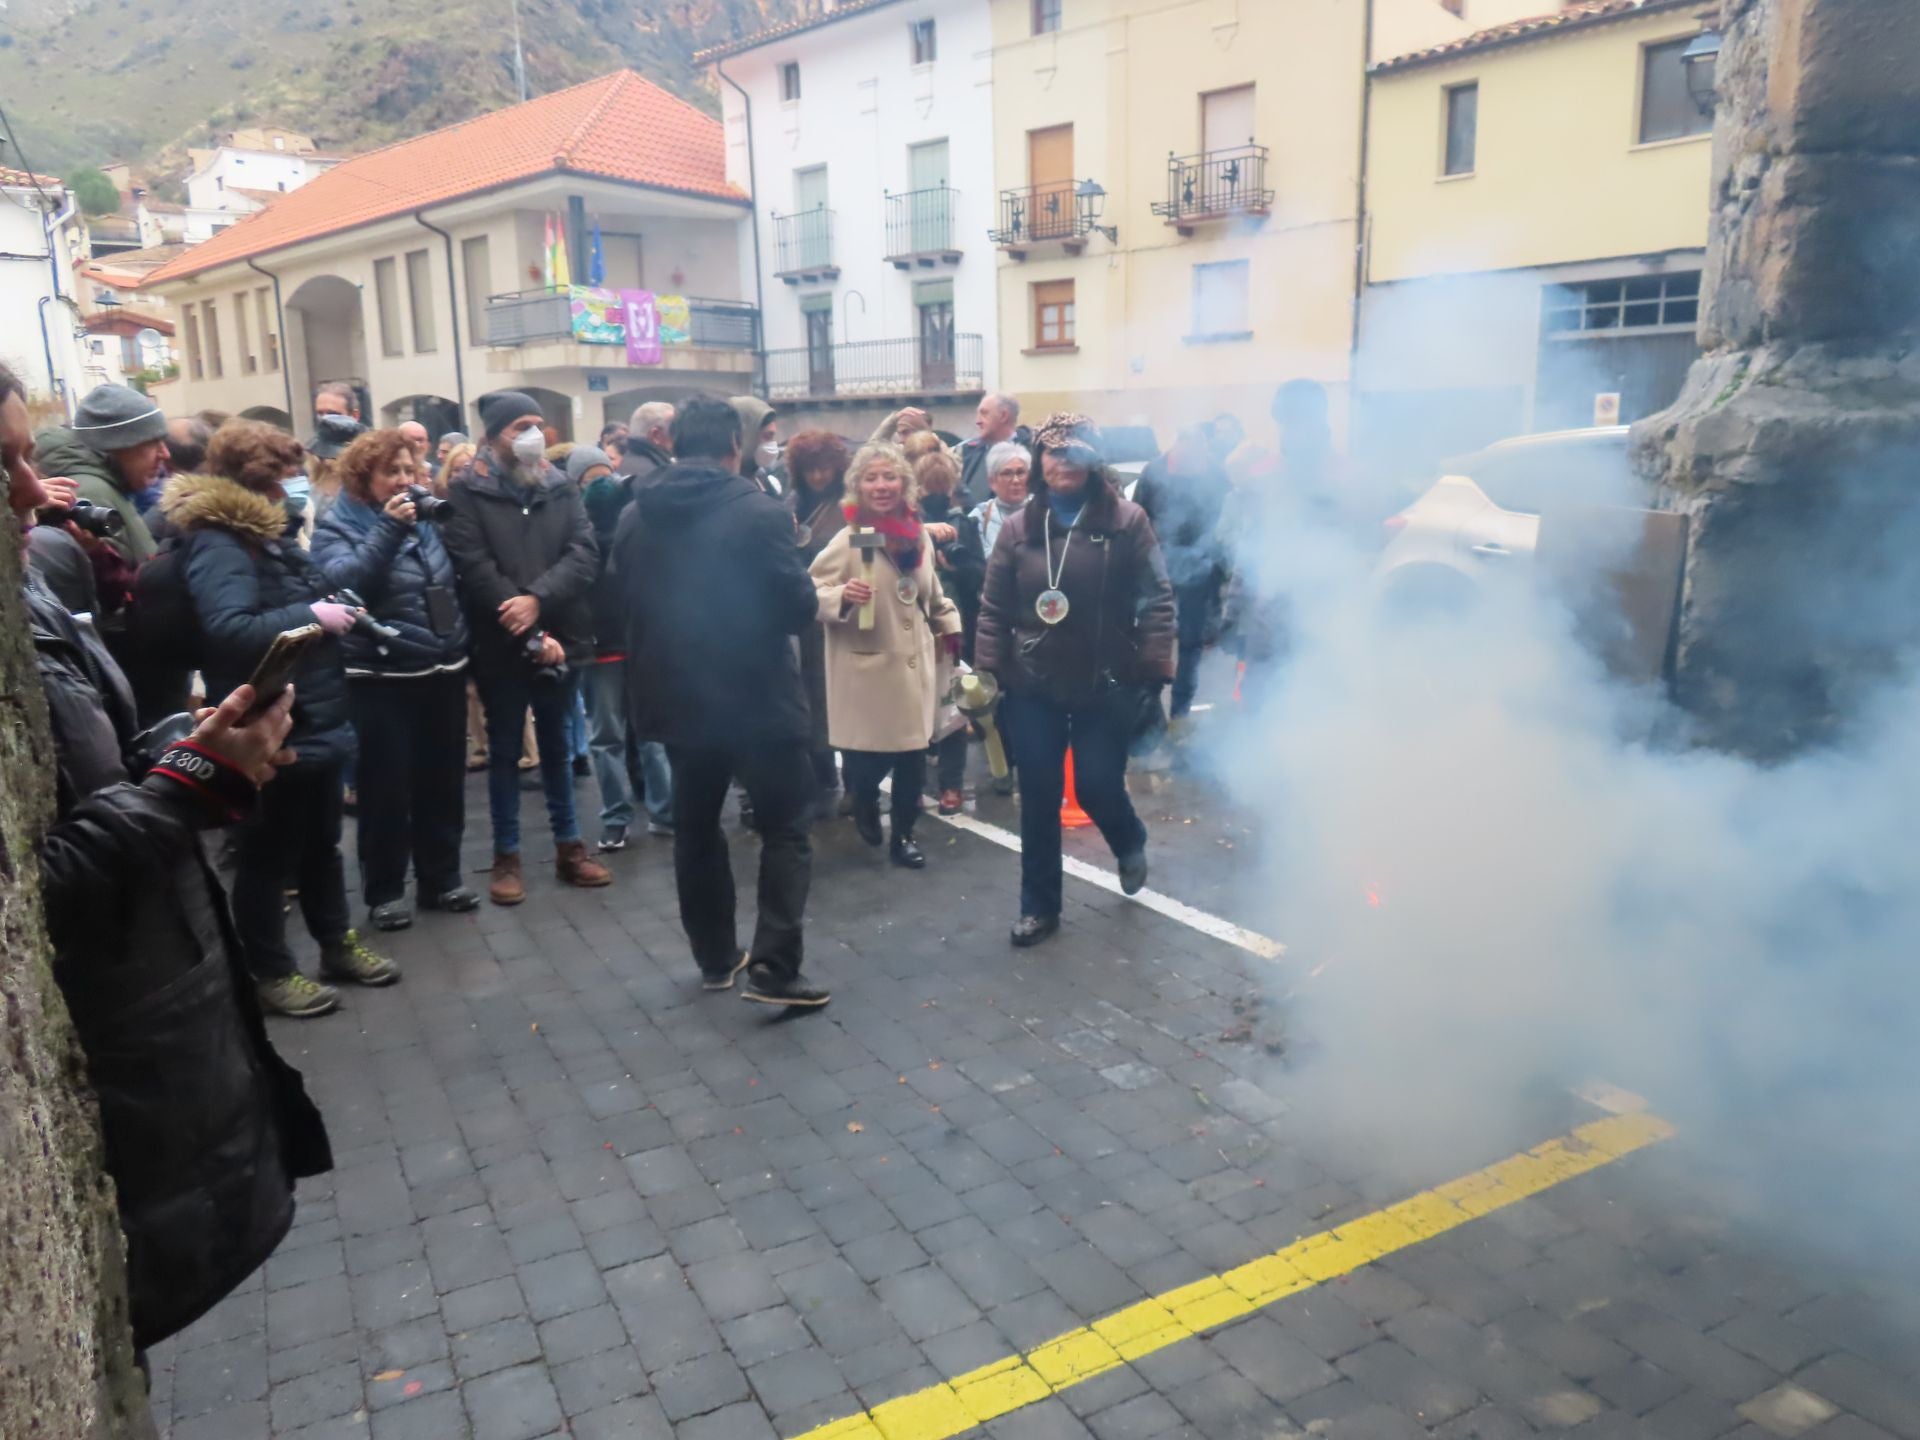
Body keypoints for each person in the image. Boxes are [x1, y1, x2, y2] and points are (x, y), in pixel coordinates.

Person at [3, 361, 332, 1354]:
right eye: (5, 461)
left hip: (156, 1006)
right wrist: (189, 785)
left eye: (27, 453)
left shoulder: (33, 587)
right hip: (116, 1032)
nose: (34, 490)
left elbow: (90, 777)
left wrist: (188, 744)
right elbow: (26, 902)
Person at [161, 419, 398, 1015]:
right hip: (268, 726)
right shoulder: (220, 541)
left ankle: (336, 944)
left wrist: (326, 604)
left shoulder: (263, 534)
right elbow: (230, 628)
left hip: (310, 715)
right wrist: (314, 614)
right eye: (290, 476)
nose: (298, 486)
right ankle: (270, 971)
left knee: (321, 845)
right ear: (258, 481)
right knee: (268, 855)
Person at [615, 394, 826, 1007]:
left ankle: (714, 958)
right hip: (757, 699)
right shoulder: (759, 513)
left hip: (679, 700)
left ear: (675, 443)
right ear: (735, 447)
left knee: (697, 830)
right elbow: (797, 607)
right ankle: (774, 968)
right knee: (787, 829)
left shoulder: (635, 514)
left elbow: (622, 596)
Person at [975, 414, 1175, 947]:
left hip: (1105, 681)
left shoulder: (1128, 521)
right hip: (1032, 684)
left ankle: (1129, 839)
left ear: (1093, 462)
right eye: (1053, 453)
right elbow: (993, 607)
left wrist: (1153, 673)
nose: (1062, 462)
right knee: (1038, 793)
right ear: (1040, 461)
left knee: (1095, 785)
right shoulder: (1019, 527)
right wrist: (989, 673)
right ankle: (1039, 908)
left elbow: (1158, 600)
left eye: (1074, 453)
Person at [443, 390, 611, 904]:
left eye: (538, 424)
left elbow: (584, 552)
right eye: (520, 426)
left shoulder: (560, 486)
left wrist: (537, 601)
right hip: (500, 640)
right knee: (505, 749)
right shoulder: (466, 491)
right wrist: (521, 616)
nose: (533, 435)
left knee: (560, 744)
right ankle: (507, 856)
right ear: (493, 436)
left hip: (560, 632)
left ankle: (570, 848)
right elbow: (473, 565)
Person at [313, 429, 478, 931]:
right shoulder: (335, 525)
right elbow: (342, 582)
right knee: (385, 789)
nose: (405, 481)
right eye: (393, 472)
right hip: (380, 677)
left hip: (441, 668)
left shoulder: (427, 521)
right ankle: (385, 891)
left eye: (410, 470)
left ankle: (441, 878)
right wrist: (386, 530)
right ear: (365, 478)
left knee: (443, 782)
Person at [810, 443, 962, 869]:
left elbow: (930, 593)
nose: (881, 486)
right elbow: (809, 592)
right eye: (872, 478)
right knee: (865, 761)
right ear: (858, 486)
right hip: (867, 671)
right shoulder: (848, 539)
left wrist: (950, 625)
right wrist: (842, 595)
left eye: (890, 477)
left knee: (913, 758)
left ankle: (905, 838)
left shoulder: (917, 536)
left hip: (914, 666)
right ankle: (860, 798)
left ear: (905, 484)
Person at [566, 442, 641, 850]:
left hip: (630, 641)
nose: (601, 484)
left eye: (604, 474)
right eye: (591, 478)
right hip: (602, 645)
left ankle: (659, 812)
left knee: (641, 735)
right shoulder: (576, 531)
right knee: (612, 736)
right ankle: (618, 815)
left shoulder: (634, 520)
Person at [1131, 422, 1232, 723]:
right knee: (1151, 637)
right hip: (1157, 565)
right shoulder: (1155, 471)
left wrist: (1214, 563)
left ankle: (1180, 715)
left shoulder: (1214, 472)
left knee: (1190, 643)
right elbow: (1139, 515)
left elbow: (1225, 519)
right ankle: (1150, 713)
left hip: (1199, 570)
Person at [784, 429, 852, 817]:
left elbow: (866, 548)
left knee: (847, 694)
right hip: (808, 614)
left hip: (845, 610)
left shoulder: (849, 505)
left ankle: (856, 782)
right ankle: (822, 772)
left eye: (826, 468)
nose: (820, 476)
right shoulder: (791, 504)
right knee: (811, 694)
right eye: (812, 469)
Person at [914, 443, 985, 815]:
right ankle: (916, 782)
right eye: (929, 487)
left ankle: (951, 784)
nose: (936, 494)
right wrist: (918, 533)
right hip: (913, 626)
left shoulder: (966, 524)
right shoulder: (901, 527)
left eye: (941, 486)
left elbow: (981, 576)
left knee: (954, 708)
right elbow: (872, 551)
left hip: (954, 628)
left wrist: (957, 566)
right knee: (914, 708)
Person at [33, 382, 168, 568]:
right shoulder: (91, 493)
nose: (165, 454)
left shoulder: (110, 485)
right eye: (152, 443)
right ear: (115, 446)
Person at [956, 392, 1022, 506]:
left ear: (1003, 416)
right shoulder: (968, 453)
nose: (978, 421)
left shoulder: (1031, 454)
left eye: (984, 413)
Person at [968, 441, 1031, 557]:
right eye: (1007, 474)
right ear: (992, 481)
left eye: (1021, 472)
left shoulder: (1043, 510)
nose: (1016, 480)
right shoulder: (980, 517)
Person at [730, 395, 783, 496]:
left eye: (772, 436)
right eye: (767, 436)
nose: (772, 444)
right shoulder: (721, 488)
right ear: (746, 435)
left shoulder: (765, 482)